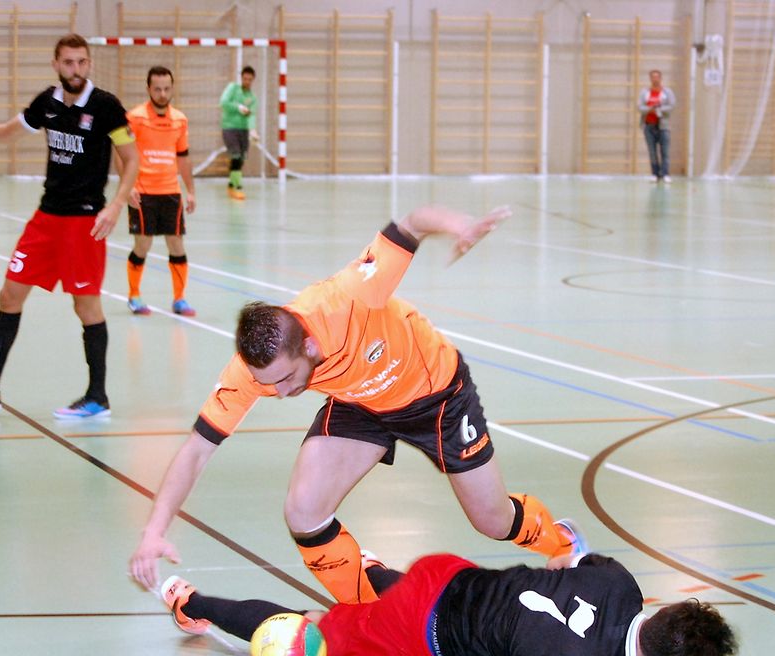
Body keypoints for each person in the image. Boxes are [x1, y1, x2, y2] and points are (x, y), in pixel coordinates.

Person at [128, 205, 587, 605]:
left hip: (437, 395)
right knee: (303, 510)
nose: (283, 393)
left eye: (287, 379)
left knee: (492, 520)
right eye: (269, 384)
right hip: (360, 402)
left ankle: (561, 541)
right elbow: (196, 450)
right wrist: (154, 531)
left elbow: (412, 222)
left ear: (308, 344)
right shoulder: (254, 372)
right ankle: (367, 609)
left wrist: (459, 224)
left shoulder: (352, 294)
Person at [161, 549, 738, 656]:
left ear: (661, 611)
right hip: (422, 632)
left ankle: (376, 571)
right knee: (306, 636)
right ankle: (193, 602)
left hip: (450, 570)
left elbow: (568, 561)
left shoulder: (622, 585)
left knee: (416, 588)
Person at [0, 33, 138, 419]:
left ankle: (97, 397)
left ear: (88, 64)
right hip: (46, 218)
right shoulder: (48, 102)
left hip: (86, 220)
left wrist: (118, 204)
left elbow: (130, 158)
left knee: (85, 304)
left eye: (82, 62)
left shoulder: (106, 106)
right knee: (10, 294)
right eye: (68, 62)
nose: (75, 69)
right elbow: (8, 131)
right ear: (56, 64)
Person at [120, 65, 197, 317]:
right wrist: (127, 187)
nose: (162, 94)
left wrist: (191, 191)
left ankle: (179, 299)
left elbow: (183, 158)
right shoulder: (135, 118)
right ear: (148, 89)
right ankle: (134, 296)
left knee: (176, 244)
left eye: (166, 88)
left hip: (170, 192)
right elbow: (121, 154)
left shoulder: (180, 120)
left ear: (172, 88)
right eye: (157, 89)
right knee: (143, 244)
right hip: (143, 192)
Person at [218, 65, 260, 200]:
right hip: (229, 128)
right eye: (245, 78)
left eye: (250, 79)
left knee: (242, 157)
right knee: (235, 154)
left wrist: (253, 130)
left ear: (253, 80)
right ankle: (238, 186)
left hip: (243, 130)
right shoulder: (232, 88)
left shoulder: (252, 97)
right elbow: (223, 102)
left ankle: (231, 184)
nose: (247, 81)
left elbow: (251, 115)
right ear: (241, 77)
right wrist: (238, 107)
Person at [638, 70, 676, 182]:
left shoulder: (667, 92)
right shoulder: (645, 92)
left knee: (665, 151)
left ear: (660, 78)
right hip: (649, 125)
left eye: (657, 77)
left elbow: (672, 105)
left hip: (663, 126)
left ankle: (665, 173)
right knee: (652, 151)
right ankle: (655, 173)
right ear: (650, 79)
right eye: (653, 77)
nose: (655, 79)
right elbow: (640, 107)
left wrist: (659, 109)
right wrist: (650, 109)